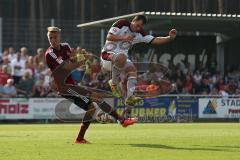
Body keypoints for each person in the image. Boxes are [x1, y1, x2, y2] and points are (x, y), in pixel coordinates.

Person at [45, 27, 137, 144]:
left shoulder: (65, 46)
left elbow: (72, 59)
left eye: (54, 37)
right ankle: (121, 120)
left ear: (59, 36)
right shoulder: (50, 54)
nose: (52, 40)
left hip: (71, 84)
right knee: (97, 98)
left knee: (91, 108)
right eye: (50, 38)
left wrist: (82, 55)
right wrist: (83, 59)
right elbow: (67, 66)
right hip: (64, 87)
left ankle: (80, 139)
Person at [101, 15, 177, 110]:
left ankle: (130, 98)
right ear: (133, 20)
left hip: (121, 59)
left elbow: (155, 40)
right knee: (122, 57)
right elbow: (109, 37)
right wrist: (124, 37)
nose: (138, 28)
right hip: (107, 56)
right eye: (137, 25)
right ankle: (114, 83)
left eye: (140, 27)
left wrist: (169, 38)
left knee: (133, 70)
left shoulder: (140, 34)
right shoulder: (121, 23)